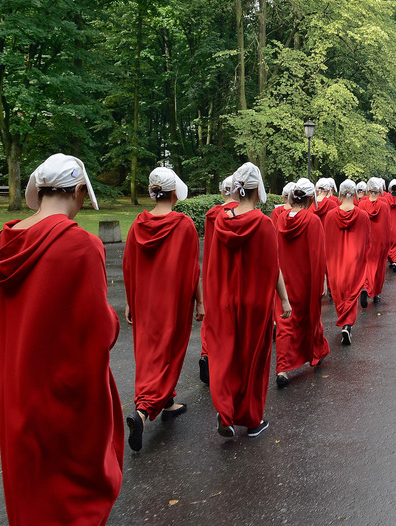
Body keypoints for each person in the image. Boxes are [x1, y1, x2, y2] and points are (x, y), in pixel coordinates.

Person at [0, 154, 123, 525]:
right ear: (79, 191)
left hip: (17, 391)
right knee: (72, 497)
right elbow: (99, 331)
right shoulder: (80, 244)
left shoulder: (5, 242)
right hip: (63, 394)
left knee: (32, 495)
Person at [203, 162, 291, 438]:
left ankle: (225, 411)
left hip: (224, 300)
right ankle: (252, 419)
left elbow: (213, 263)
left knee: (226, 354)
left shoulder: (220, 221)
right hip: (254, 302)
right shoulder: (263, 224)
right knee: (252, 359)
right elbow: (272, 266)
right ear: (256, 190)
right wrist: (284, 301)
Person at [123, 168, 202, 452]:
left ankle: (166, 400)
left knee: (148, 351)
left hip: (144, 300)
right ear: (173, 193)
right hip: (173, 301)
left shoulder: (137, 225)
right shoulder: (184, 225)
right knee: (169, 351)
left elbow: (129, 265)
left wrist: (131, 302)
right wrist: (201, 302)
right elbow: (193, 269)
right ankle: (143, 412)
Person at [272, 178, 330, 388]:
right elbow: (317, 254)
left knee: (285, 323)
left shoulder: (280, 219)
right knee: (309, 318)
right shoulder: (312, 221)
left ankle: (283, 369)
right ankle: (315, 352)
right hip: (305, 279)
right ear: (309, 198)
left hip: (283, 279)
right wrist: (322, 279)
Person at [198, 175, 237, 385]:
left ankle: (207, 353)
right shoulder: (237, 215)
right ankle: (225, 359)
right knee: (230, 316)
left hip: (212, 269)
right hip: (230, 270)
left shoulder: (212, 214)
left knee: (211, 316)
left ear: (223, 191)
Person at [324, 179, 370, 345]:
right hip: (355, 258)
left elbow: (327, 240)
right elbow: (366, 239)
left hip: (336, 260)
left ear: (340, 194)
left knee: (339, 292)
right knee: (353, 291)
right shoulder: (363, 216)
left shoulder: (330, 216)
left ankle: (344, 321)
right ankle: (347, 324)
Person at [358, 177, 391, 305]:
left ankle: (365, 286)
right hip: (381, 240)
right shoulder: (384, 205)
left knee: (366, 265)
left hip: (366, 239)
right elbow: (387, 225)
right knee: (379, 267)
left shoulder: (361, 204)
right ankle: (376, 292)